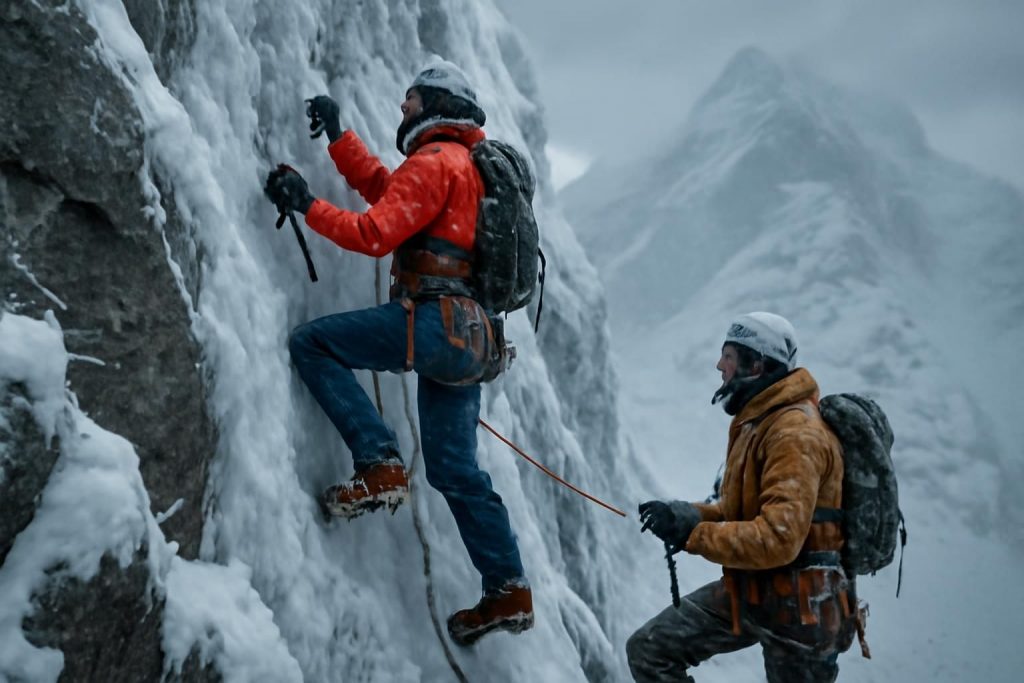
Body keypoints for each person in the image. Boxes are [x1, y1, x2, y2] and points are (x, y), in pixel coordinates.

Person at [263, 61, 532, 646]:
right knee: (457, 470)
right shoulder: (464, 169)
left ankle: (379, 462)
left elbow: (375, 233)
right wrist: (340, 140)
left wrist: (306, 203)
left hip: (433, 324)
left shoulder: (433, 161)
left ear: (434, 102)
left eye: (410, 100)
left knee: (313, 344)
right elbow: (392, 196)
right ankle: (507, 586)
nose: (403, 110)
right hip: (475, 340)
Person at [627, 312, 855, 682]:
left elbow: (778, 538)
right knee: (651, 649)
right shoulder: (760, 422)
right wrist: (688, 517)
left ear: (755, 365)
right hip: (757, 590)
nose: (720, 365)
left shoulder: (795, 434)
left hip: (802, 610)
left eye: (728, 356)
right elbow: (745, 514)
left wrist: (693, 535)